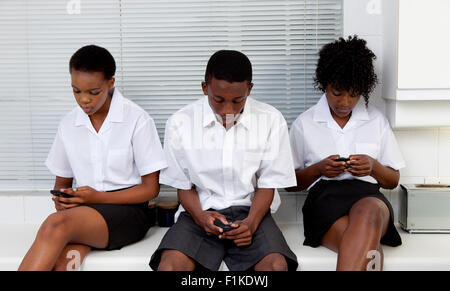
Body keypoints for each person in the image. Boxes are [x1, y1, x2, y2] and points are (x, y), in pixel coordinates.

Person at [19, 45, 167, 271]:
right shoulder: (68, 124)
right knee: (64, 261)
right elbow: (62, 184)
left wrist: (96, 197)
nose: (84, 100)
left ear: (110, 83)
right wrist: (63, 199)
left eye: (93, 92)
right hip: (85, 213)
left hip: (129, 213)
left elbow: (151, 189)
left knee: (54, 226)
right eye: (76, 91)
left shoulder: (136, 119)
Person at [149, 50, 299, 271]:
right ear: (204, 88)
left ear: (249, 89)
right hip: (199, 213)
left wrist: (251, 223)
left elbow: (268, 185)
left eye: (237, 100)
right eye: (218, 99)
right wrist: (200, 217)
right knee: (170, 266)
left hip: (252, 213)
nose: (227, 110)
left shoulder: (271, 120)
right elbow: (183, 187)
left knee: (276, 266)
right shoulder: (180, 122)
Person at [288, 36, 405, 271]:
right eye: (337, 92)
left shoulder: (376, 121)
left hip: (370, 199)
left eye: (354, 94)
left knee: (368, 210)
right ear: (324, 84)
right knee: (371, 255)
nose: (345, 102)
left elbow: (393, 181)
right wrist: (319, 169)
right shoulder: (305, 123)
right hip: (324, 203)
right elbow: (289, 184)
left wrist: (373, 166)